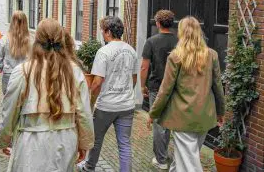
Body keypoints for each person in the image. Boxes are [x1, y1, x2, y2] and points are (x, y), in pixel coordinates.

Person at [0, 19, 94, 172]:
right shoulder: (74, 71)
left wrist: (4, 139)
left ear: (36, 40)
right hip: (65, 139)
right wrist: (84, 143)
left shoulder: (23, 71)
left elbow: (9, 109)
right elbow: (84, 112)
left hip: (32, 140)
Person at [148, 16, 225, 172]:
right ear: (199, 32)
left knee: (189, 162)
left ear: (181, 33)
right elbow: (218, 86)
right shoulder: (211, 55)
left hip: (183, 117)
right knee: (187, 156)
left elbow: (165, 89)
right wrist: (221, 111)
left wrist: (153, 113)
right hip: (205, 115)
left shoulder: (176, 56)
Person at [79, 16, 138, 172]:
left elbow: (97, 82)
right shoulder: (131, 50)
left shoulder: (103, 52)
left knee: (96, 139)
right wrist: (125, 93)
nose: (102, 34)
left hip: (106, 106)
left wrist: (90, 100)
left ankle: (89, 167)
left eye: (103, 31)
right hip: (127, 105)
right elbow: (134, 79)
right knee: (124, 143)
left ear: (108, 32)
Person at [140, 9, 178, 170]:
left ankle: (161, 159)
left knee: (158, 123)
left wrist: (142, 86)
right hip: (176, 88)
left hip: (157, 86)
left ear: (157, 23)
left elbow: (144, 67)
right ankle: (169, 156)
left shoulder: (151, 41)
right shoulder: (179, 41)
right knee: (171, 121)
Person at [0, 11, 31, 95]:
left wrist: (2, 67)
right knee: (23, 103)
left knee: (8, 104)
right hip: (25, 74)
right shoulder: (31, 41)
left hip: (9, 74)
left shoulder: (4, 39)